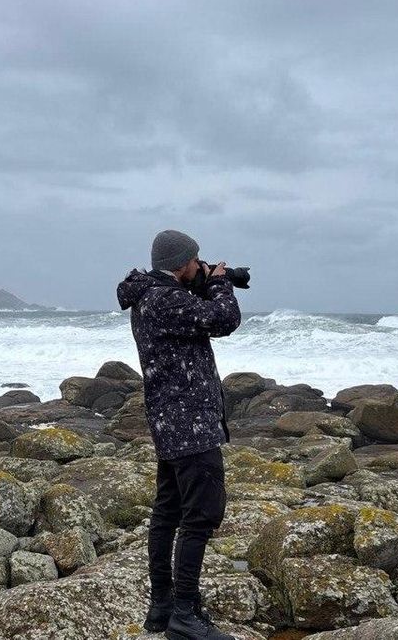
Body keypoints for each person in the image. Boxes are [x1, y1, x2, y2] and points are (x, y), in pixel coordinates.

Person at [116, 229, 242, 640]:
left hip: (171, 422)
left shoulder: (153, 296)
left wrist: (205, 283)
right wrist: (220, 282)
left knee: (168, 513)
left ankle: (162, 607)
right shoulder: (164, 299)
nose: (200, 263)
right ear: (183, 262)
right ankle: (184, 615)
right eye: (196, 259)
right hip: (190, 425)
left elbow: (195, 318)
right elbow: (224, 320)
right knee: (200, 516)